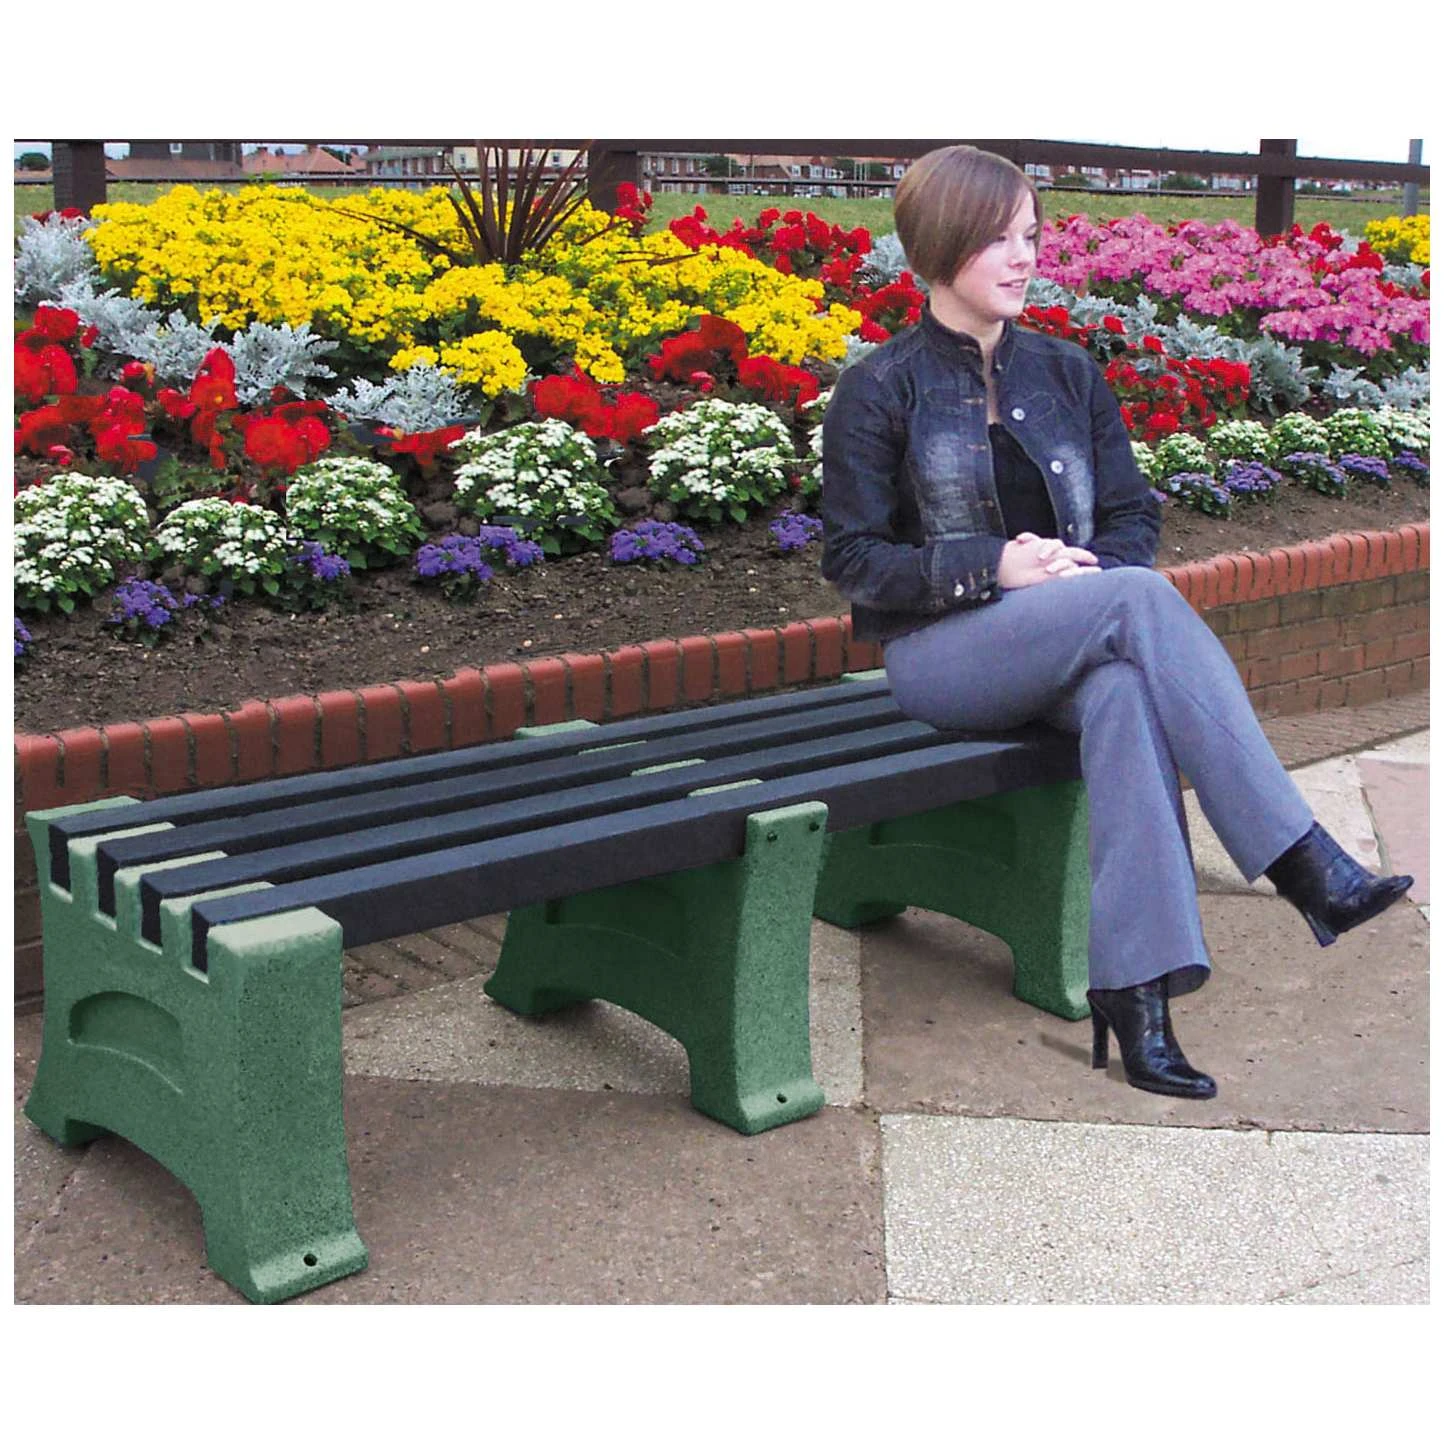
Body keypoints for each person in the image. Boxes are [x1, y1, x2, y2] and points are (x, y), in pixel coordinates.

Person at [820, 144, 1412, 1100]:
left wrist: (1085, 568)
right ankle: (1301, 860)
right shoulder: (881, 388)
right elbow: (854, 562)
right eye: (998, 240)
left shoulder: (1065, 372)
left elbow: (1133, 516)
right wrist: (996, 567)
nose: (1024, 257)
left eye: (1031, 235)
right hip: (941, 655)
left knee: (1126, 697)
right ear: (937, 248)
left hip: (1072, 638)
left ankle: (1136, 996)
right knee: (1137, 603)